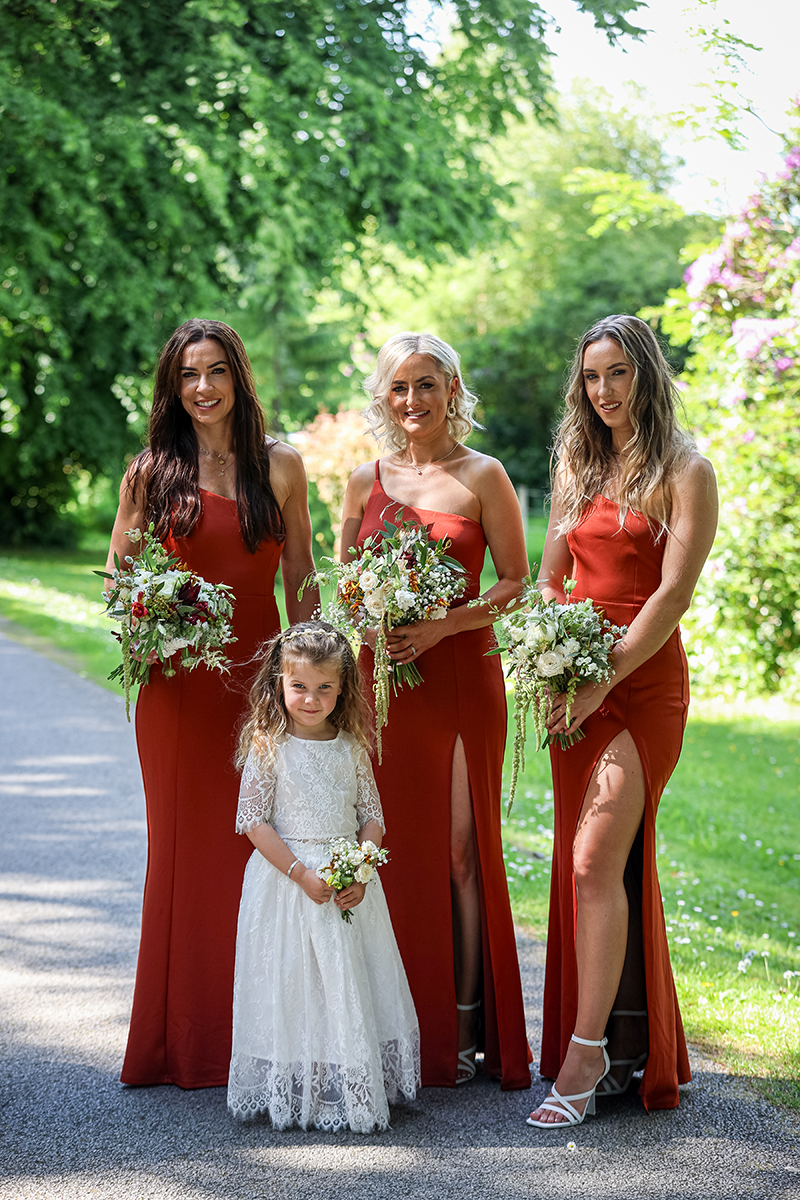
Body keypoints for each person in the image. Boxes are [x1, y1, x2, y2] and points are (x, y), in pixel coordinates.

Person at [105, 317, 318, 1089]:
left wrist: (314, 672)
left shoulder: (280, 466)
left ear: (238, 378)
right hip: (179, 691)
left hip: (260, 685)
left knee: (255, 850)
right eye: (188, 373)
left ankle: (259, 1040)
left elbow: (300, 574)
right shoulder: (149, 473)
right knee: (182, 854)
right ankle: (179, 1044)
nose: (202, 387)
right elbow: (120, 581)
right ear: (173, 386)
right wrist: (156, 620)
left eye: (216, 370)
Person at [527, 314, 718, 1128]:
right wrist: (546, 657)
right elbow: (549, 577)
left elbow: (672, 596)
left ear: (646, 373)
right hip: (574, 685)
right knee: (599, 866)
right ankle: (636, 1044)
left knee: (592, 860)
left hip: (641, 689)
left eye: (618, 374)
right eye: (591, 378)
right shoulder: (576, 463)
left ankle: (587, 1054)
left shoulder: (687, 469)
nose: (603, 392)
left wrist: (603, 679)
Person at [340, 331, 531, 1090]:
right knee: (390, 851)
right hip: (385, 683)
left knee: (457, 855)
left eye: (427, 385)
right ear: (383, 398)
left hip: (459, 680)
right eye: (399, 388)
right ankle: (392, 1027)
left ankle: (459, 1025)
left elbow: (515, 582)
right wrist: (372, 620)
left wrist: (443, 623)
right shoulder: (363, 481)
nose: (413, 401)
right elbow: (345, 584)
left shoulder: (485, 476)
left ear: (453, 390)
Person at [227, 621, 420, 1132]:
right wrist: (299, 873)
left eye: (324, 688)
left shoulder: (352, 747)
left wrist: (361, 866)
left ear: (343, 688)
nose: (311, 699)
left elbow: (372, 816)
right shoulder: (269, 747)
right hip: (289, 883)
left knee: (344, 978)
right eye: (299, 687)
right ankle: (300, 1088)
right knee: (296, 981)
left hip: (344, 884)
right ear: (279, 684)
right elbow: (252, 820)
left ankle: (351, 1083)